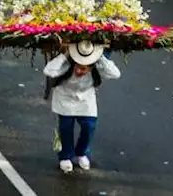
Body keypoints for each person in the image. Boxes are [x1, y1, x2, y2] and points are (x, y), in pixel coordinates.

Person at [42, 41, 121, 173]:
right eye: (78, 67)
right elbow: (48, 70)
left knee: (88, 127)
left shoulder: (97, 67)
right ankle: (65, 156)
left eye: (84, 68)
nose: (79, 71)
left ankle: (81, 153)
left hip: (86, 100)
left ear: (91, 67)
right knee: (66, 129)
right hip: (65, 99)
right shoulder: (66, 64)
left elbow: (115, 74)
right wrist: (66, 55)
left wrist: (100, 56)